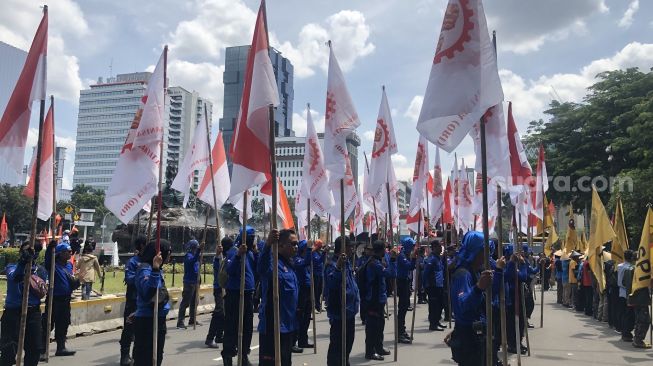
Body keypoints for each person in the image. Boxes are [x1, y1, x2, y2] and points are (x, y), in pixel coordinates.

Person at [448, 231, 504, 366]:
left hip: (480, 331)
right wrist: (478, 287)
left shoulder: (477, 271)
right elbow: (463, 306)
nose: (487, 255)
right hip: (469, 336)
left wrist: (499, 271)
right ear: (475, 251)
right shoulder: (463, 274)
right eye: (483, 251)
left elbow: (490, 294)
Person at [257, 229, 300, 366]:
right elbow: (262, 267)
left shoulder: (290, 265)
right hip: (273, 325)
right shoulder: (273, 264)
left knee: (285, 362)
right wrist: (268, 244)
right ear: (281, 245)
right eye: (293, 244)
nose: (296, 247)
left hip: (288, 325)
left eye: (297, 244)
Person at [1, 241, 46, 366]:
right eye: (26, 250)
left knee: (35, 348)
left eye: (33, 251)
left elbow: (42, 288)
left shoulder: (40, 271)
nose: (30, 253)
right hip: (13, 314)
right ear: (21, 252)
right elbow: (16, 277)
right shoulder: (12, 267)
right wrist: (23, 261)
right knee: (8, 351)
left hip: (33, 313)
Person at [221, 226, 257, 366]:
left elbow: (256, 270)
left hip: (248, 294)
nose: (252, 239)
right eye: (250, 237)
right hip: (235, 295)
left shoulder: (250, 253)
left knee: (247, 328)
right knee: (231, 327)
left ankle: (243, 355)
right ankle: (228, 356)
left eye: (253, 237)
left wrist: (256, 252)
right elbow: (230, 270)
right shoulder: (234, 252)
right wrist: (237, 256)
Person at [132, 239, 172, 366]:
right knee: (145, 359)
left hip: (158, 319)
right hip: (147, 321)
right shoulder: (145, 269)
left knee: (157, 357)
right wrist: (154, 270)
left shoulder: (158, 270)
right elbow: (148, 293)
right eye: (168, 252)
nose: (170, 255)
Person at [325, 235, 359, 366]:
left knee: (348, 342)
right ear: (344, 248)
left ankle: (344, 362)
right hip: (339, 312)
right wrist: (338, 267)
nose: (352, 249)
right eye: (350, 246)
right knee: (337, 346)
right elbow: (332, 284)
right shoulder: (331, 265)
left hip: (350, 311)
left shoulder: (348, 262)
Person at [42, 241, 79, 357]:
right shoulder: (53, 265)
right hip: (54, 300)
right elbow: (48, 260)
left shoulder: (69, 265)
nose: (70, 254)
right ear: (60, 253)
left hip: (66, 299)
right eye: (67, 252)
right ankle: (42, 350)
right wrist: (49, 248)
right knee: (48, 324)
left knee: (63, 323)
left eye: (70, 252)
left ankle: (61, 347)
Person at [364, 240, 396, 360]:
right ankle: (370, 351)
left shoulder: (377, 261)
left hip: (379, 298)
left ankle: (378, 347)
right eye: (385, 249)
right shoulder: (374, 264)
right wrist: (393, 260)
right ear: (381, 250)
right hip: (373, 300)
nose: (386, 251)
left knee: (380, 325)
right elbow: (391, 273)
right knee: (373, 326)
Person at [118, 235, 146, 366]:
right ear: (141, 246)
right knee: (129, 329)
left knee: (143, 331)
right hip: (133, 301)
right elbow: (129, 279)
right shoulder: (133, 262)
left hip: (145, 301)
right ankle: (124, 355)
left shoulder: (148, 261)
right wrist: (141, 274)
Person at [205, 237, 230, 348]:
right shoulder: (219, 258)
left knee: (224, 313)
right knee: (219, 311)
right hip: (219, 288)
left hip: (226, 288)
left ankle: (219, 335)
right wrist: (217, 254)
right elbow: (216, 266)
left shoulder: (227, 257)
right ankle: (210, 338)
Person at [177, 239, 203, 329]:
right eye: (196, 248)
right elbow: (192, 262)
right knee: (186, 302)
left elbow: (197, 268)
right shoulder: (188, 256)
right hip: (189, 283)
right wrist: (199, 251)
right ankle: (180, 322)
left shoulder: (196, 256)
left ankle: (192, 319)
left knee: (194, 302)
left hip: (196, 282)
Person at [396, 237, 417, 343]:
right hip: (402, 282)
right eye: (412, 245)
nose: (414, 247)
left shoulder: (407, 254)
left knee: (404, 307)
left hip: (406, 282)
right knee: (402, 308)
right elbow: (409, 267)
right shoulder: (402, 256)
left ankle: (402, 330)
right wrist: (413, 259)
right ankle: (399, 333)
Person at [423, 239, 446, 331]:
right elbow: (425, 273)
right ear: (435, 247)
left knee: (440, 304)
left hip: (439, 285)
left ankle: (437, 321)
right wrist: (425, 286)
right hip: (433, 286)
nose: (441, 248)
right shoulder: (431, 259)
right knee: (434, 306)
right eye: (439, 246)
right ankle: (433, 324)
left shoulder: (438, 258)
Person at [617, 250, 635, 341]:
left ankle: (624, 331)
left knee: (623, 313)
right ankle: (626, 333)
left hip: (621, 291)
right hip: (627, 292)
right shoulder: (630, 268)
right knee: (628, 314)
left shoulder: (619, 266)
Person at [311, 240, 326, 312]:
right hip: (315, 275)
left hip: (321, 274)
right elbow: (318, 261)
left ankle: (318, 305)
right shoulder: (313, 253)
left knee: (319, 291)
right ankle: (315, 306)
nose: (321, 248)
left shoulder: (319, 253)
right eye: (320, 247)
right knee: (316, 292)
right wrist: (323, 253)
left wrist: (324, 253)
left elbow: (323, 261)